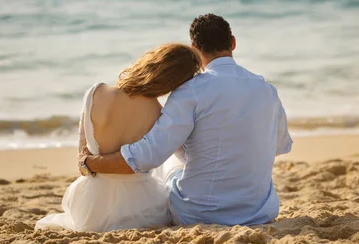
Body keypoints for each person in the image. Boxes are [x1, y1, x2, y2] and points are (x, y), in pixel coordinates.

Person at [79, 13, 294, 226]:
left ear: (194, 47)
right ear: (233, 43)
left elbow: (147, 156)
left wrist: (89, 162)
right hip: (260, 212)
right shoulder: (267, 89)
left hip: (200, 215)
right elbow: (281, 146)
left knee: (170, 159)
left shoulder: (191, 91)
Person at [35, 44, 202, 232]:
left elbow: (83, 155)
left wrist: (87, 163)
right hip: (142, 207)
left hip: (91, 206)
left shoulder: (97, 92)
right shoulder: (159, 113)